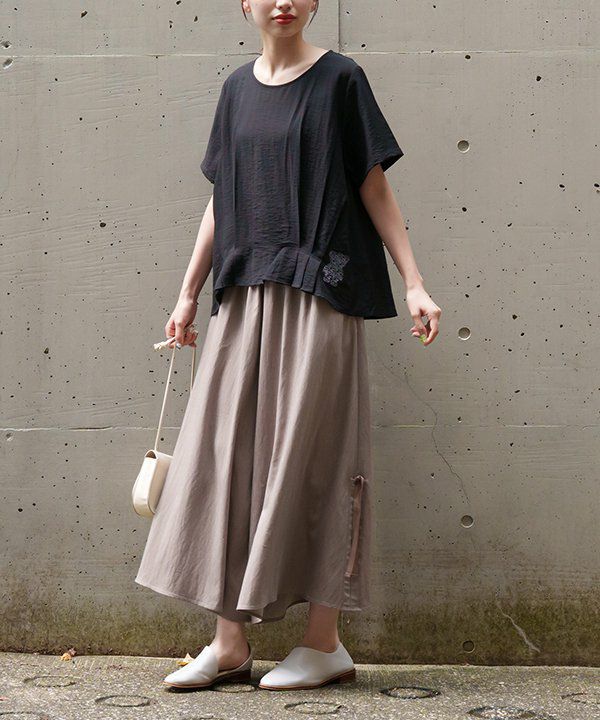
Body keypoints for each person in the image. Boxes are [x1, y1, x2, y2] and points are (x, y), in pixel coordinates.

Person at [134, 0, 442, 692]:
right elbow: (222, 199)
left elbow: (373, 185)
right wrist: (187, 293)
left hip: (321, 294)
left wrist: (414, 283)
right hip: (244, 292)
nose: (284, 2)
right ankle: (229, 644)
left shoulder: (341, 80)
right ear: (244, 4)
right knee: (226, 460)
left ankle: (324, 643)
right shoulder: (235, 90)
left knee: (317, 461)